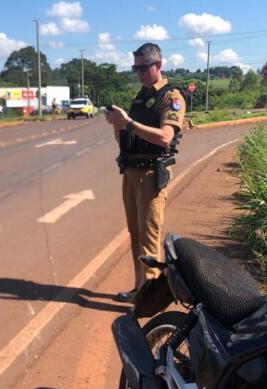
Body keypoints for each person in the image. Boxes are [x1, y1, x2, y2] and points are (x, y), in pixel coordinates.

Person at [105, 42, 186, 303]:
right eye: (135, 68)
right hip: (130, 171)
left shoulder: (171, 98)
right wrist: (118, 126)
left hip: (152, 174)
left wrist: (129, 122)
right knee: (135, 234)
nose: (139, 73)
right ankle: (140, 287)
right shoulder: (140, 98)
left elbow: (165, 137)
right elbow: (126, 141)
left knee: (149, 236)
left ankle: (149, 298)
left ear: (158, 65)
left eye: (143, 68)